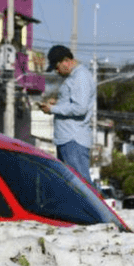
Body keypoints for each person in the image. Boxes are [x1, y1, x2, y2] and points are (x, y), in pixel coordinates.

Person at [39, 45, 93, 183]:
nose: (56, 71)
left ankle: (94, 205)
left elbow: (80, 108)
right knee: (71, 185)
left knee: (80, 185)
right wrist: (57, 104)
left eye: (57, 67)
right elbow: (73, 102)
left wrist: (53, 109)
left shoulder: (80, 77)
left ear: (67, 61)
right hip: (67, 139)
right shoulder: (74, 77)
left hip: (73, 139)